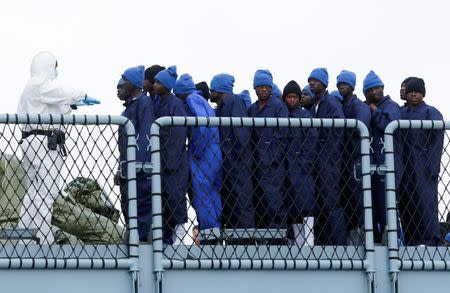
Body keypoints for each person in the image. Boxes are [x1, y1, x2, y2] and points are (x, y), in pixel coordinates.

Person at [17, 51, 100, 245]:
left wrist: (74, 105)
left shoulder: (30, 88)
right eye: (54, 67)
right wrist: (81, 95)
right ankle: (43, 238)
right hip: (45, 143)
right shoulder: (39, 84)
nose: (55, 71)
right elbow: (59, 92)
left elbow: (53, 106)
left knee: (34, 192)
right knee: (47, 192)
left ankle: (26, 237)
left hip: (32, 141)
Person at [174, 73, 223, 244]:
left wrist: (196, 151)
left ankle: (209, 237)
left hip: (204, 155)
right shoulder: (202, 100)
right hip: (214, 152)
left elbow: (202, 127)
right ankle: (215, 233)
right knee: (213, 194)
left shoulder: (191, 100)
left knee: (202, 195)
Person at [399, 77, 443, 245]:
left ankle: (431, 240)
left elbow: (437, 141)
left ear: (423, 94)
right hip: (405, 166)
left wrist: (432, 167)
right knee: (406, 203)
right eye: (410, 91)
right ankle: (411, 240)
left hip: (423, 167)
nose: (413, 94)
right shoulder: (401, 113)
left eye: (417, 91)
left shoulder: (431, 112)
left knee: (426, 204)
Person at [210, 73, 255, 234]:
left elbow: (240, 133)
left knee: (241, 202)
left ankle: (246, 243)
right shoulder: (221, 106)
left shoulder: (234, 101)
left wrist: (234, 157)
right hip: (229, 163)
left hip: (238, 162)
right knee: (231, 203)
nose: (210, 91)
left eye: (213, 88)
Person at [308, 67, 347, 245]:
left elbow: (337, 131)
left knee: (331, 201)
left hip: (329, 161)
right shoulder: (316, 105)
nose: (311, 83)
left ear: (324, 83)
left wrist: (328, 154)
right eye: (310, 81)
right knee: (321, 202)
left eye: (315, 81)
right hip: (319, 160)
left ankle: (338, 243)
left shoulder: (331, 103)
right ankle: (325, 241)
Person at [116, 65, 154, 242]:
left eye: (125, 81)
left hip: (139, 170)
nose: (122, 84)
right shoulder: (129, 108)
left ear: (133, 83)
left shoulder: (144, 103)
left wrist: (139, 166)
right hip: (127, 168)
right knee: (129, 208)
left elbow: (145, 135)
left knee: (142, 208)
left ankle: (142, 245)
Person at [364, 70, 403, 243]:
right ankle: (378, 239)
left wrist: (374, 110)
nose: (375, 91)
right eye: (371, 89)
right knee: (374, 206)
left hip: (389, 164)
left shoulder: (390, 106)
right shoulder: (367, 107)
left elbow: (390, 125)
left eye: (378, 88)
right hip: (374, 164)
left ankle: (395, 241)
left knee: (387, 206)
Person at [248, 70, 288, 232]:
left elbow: (282, 135)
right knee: (260, 201)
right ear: (255, 88)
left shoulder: (279, 106)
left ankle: (278, 237)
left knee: (274, 200)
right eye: (260, 86)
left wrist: (271, 157)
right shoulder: (252, 109)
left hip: (273, 165)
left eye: (267, 86)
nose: (264, 89)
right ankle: (264, 237)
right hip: (256, 163)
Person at [153, 66, 189, 244]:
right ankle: (167, 238)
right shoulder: (159, 102)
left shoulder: (175, 104)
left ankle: (180, 235)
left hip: (174, 161)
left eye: (159, 82)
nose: (155, 85)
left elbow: (179, 135)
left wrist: (171, 161)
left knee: (176, 197)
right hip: (162, 160)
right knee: (165, 199)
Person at [337, 70, 371, 245]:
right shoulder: (341, 105)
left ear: (352, 85)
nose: (342, 86)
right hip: (345, 161)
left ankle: (364, 241)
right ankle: (351, 238)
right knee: (347, 201)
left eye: (345, 83)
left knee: (359, 202)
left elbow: (360, 131)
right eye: (340, 83)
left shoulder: (359, 107)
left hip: (357, 160)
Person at [282, 80, 317, 246]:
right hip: (287, 169)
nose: (292, 100)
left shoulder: (305, 116)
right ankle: (298, 243)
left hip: (302, 170)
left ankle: (309, 243)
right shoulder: (282, 115)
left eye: (295, 97)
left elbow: (312, 141)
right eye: (289, 97)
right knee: (293, 208)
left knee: (306, 206)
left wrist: (305, 164)